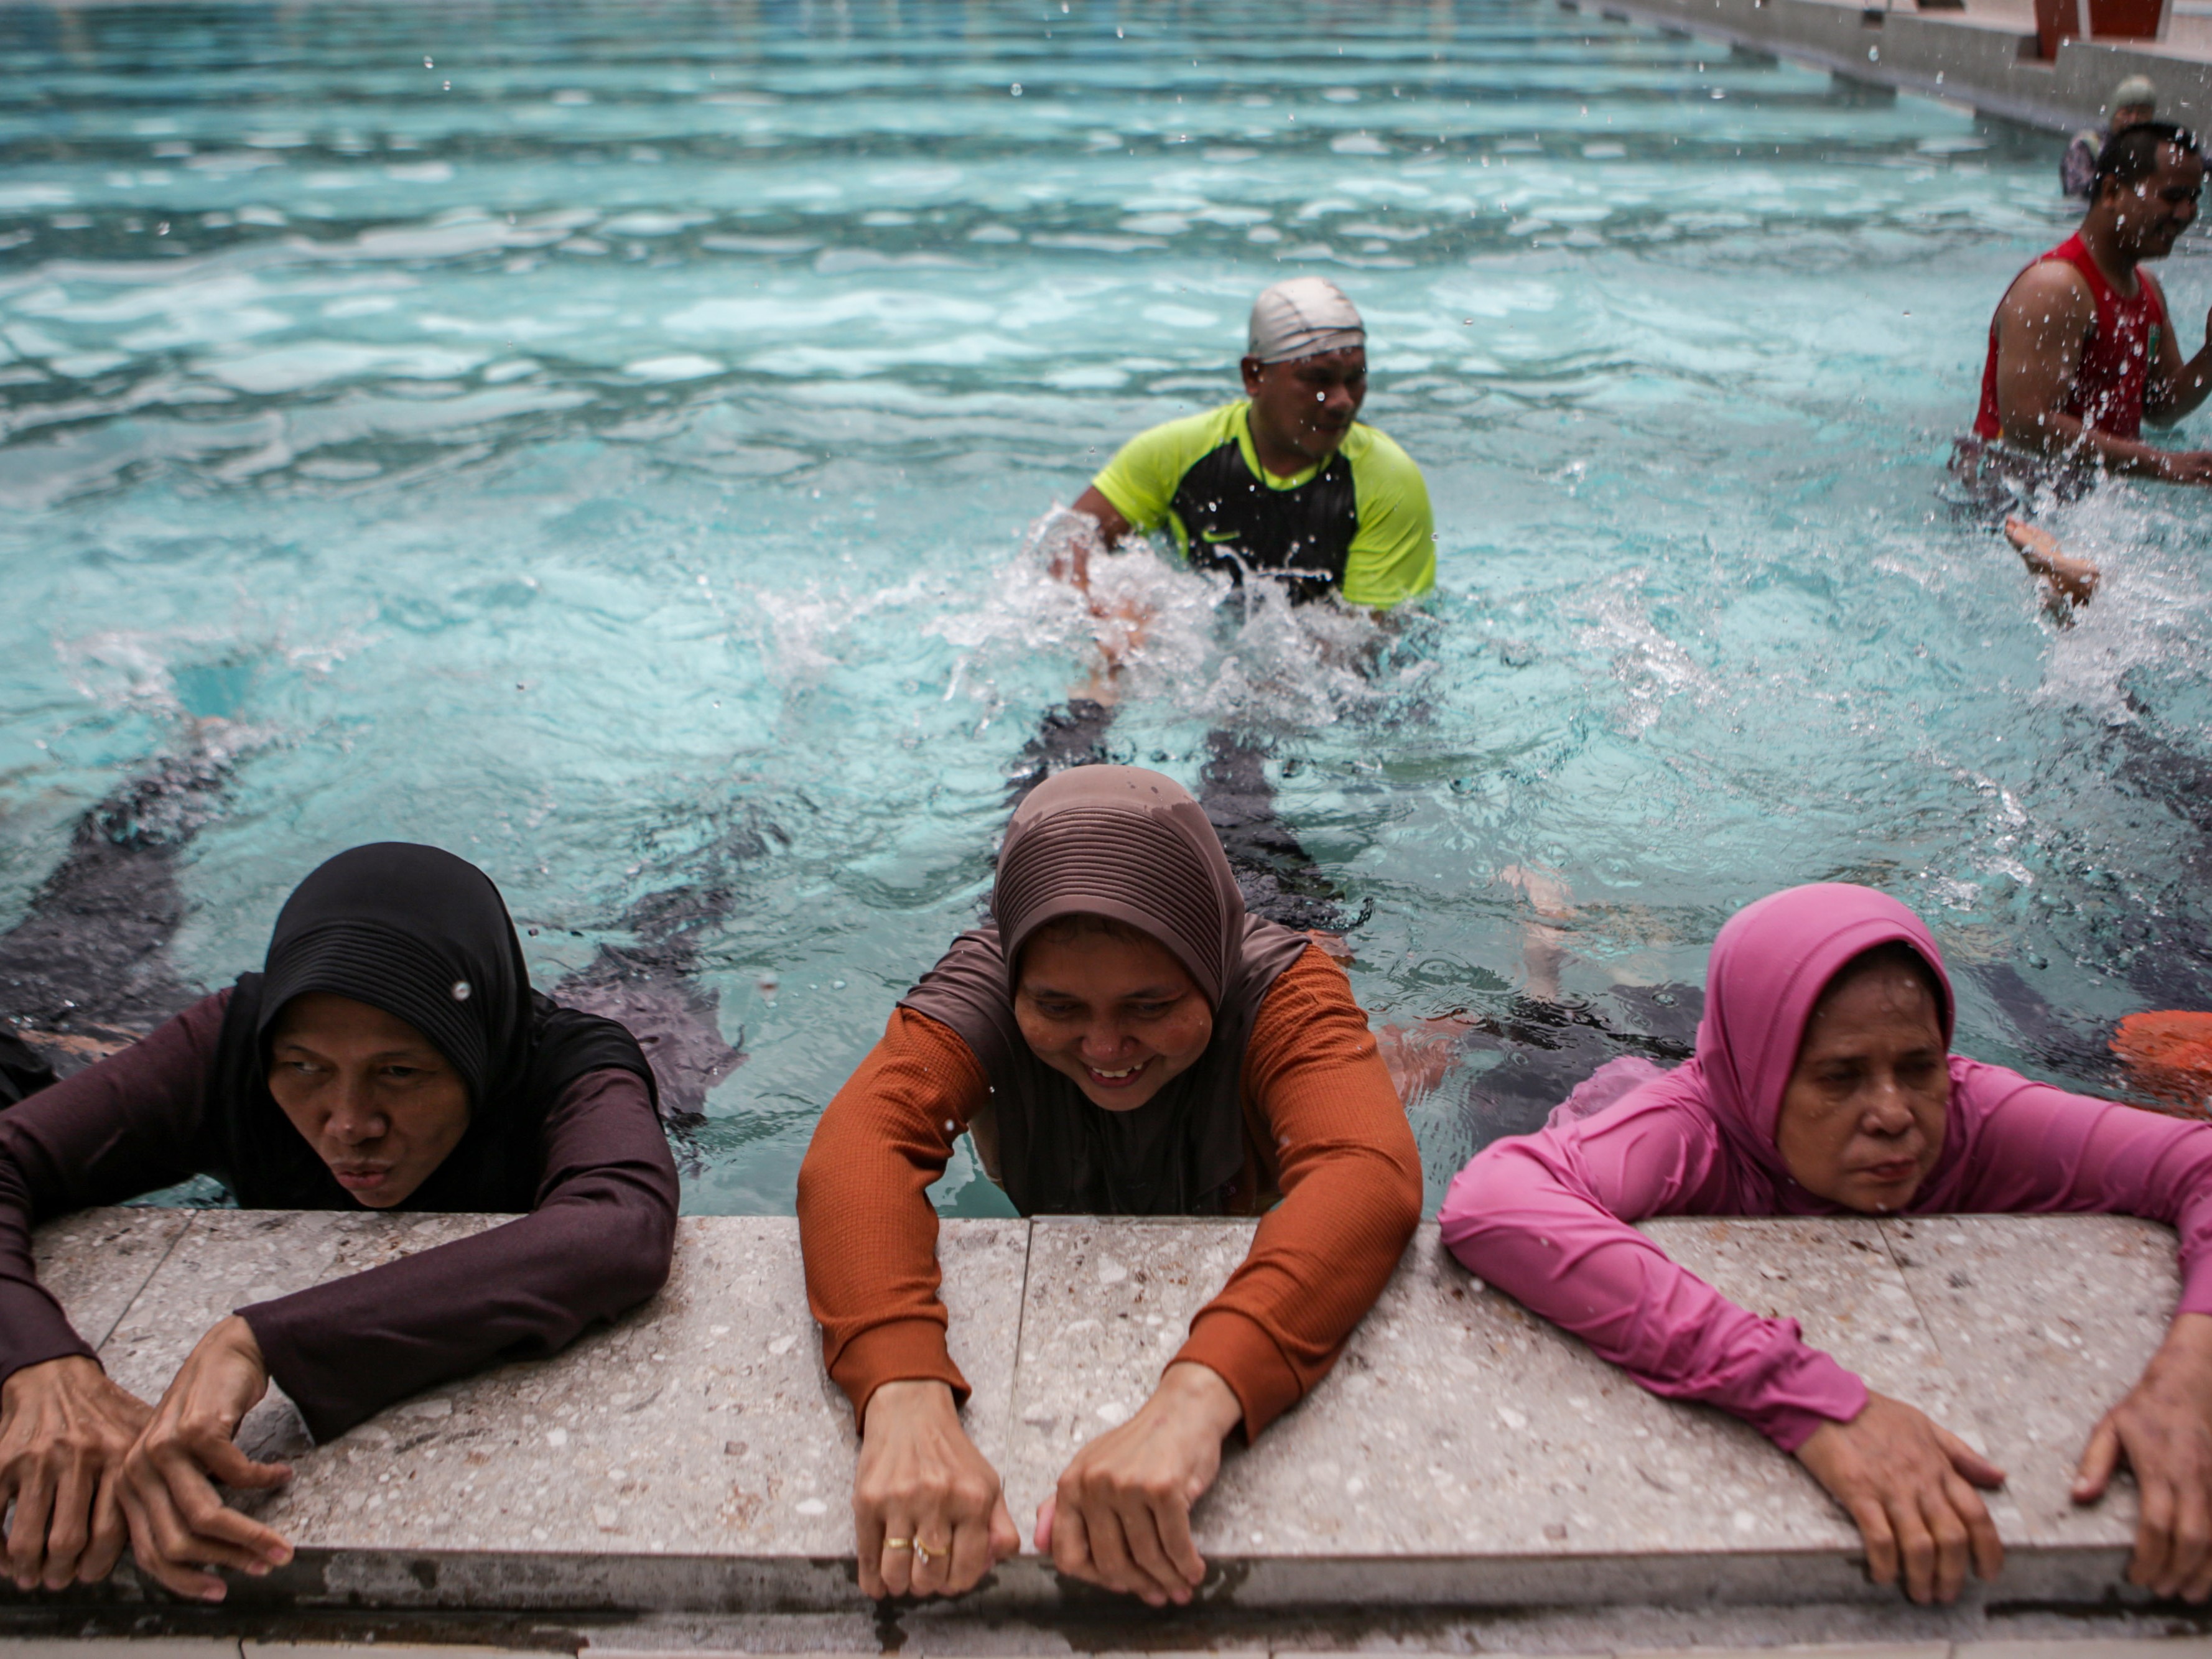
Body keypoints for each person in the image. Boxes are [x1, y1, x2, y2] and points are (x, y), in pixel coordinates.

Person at [1439, 883, 2212, 1606]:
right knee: (1541, 1038)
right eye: (1841, 1078)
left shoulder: (1973, 1113)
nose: (1894, 1114)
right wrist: (1807, 1399)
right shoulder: (1694, 1129)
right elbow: (1494, 1199)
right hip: (1609, 1094)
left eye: (1918, 1066)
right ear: (1761, 1082)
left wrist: (2192, 1376)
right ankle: (1546, 963)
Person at [796, 765, 1421, 1607]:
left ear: (1206, 972)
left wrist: (1197, 1398)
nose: (1103, 1046)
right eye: (1059, 1007)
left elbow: (1366, 1171)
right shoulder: (986, 984)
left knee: (1409, 1056)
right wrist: (902, 1395)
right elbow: (859, 1146)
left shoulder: (1283, 994)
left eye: (1149, 1005)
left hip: (1275, 918)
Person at [0, 843, 677, 1602]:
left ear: (476, 1053)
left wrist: (261, 1340)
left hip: (653, 1053)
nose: (349, 1124)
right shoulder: (236, 1045)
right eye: (307, 1070)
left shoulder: (567, 1068)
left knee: (663, 989)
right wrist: (35, 1362)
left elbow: (619, 1227)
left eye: (399, 1073)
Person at [1064, 277, 1434, 612]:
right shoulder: (1175, 453)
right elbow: (1071, 538)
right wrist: (1102, 613)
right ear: (1254, 375)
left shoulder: (1387, 480)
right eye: (1318, 379)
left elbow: (1368, 642)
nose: (1343, 401)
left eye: (1355, 378)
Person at [1963, 123, 2212, 608]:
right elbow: (2026, 425)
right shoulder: (2055, 288)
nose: (2187, 214)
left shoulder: (2147, 289)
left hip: (2082, 502)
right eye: (2172, 196)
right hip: (2011, 507)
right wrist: (2165, 465)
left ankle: (2070, 588)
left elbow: (2159, 405)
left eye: (2195, 198)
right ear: (2113, 191)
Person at [2063, 76, 2160, 199]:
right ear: (2114, 114)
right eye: (2127, 112)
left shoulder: (2156, 152)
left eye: (2142, 113)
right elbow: (2076, 193)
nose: (2134, 120)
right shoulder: (2087, 145)